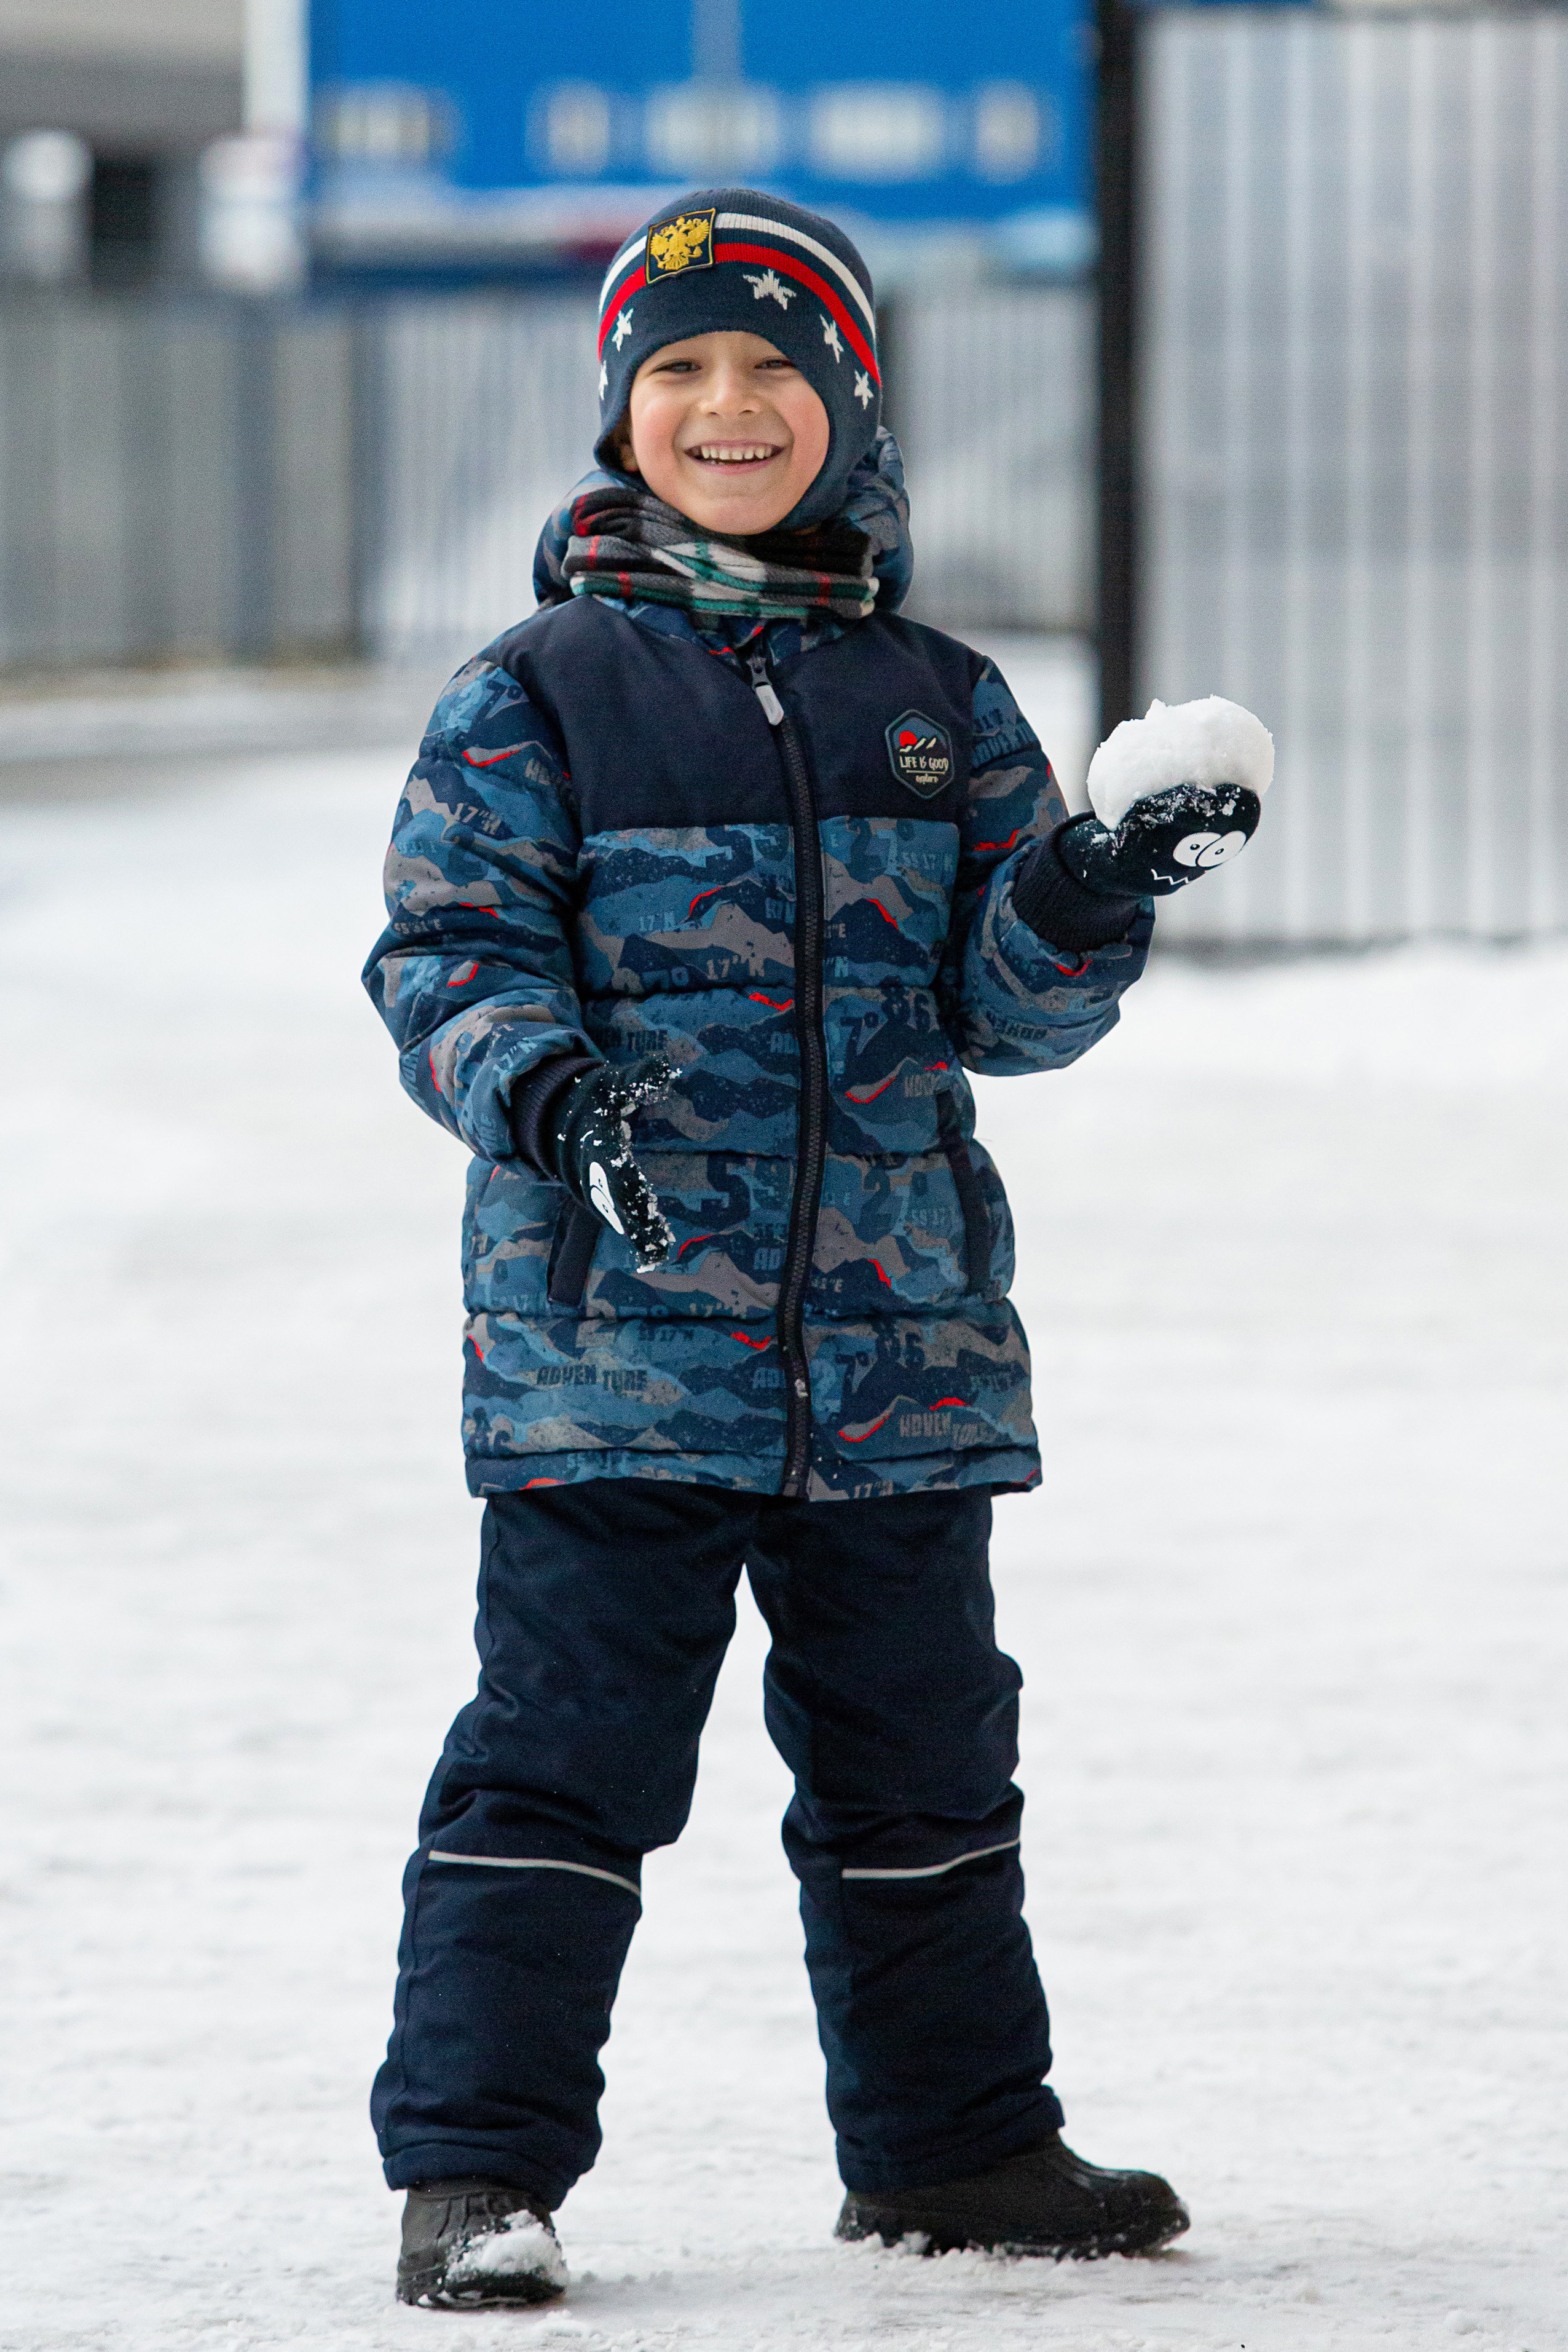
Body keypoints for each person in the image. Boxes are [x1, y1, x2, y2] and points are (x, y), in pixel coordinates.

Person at [363, 187, 1263, 2310]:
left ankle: (956, 2146)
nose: (727, 404)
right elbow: (443, 958)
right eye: (678, 370)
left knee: (927, 1767)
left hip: (900, 1357)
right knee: (563, 1760)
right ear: (620, 416)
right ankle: (475, 2170)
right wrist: (549, 1091)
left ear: (848, 404)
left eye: (774, 366)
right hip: (612, 1354)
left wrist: (1093, 877)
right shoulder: (540, 697)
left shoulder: (938, 699)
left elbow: (1007, 1009)